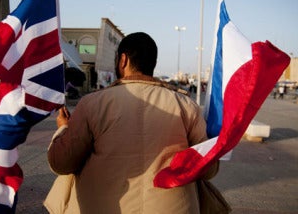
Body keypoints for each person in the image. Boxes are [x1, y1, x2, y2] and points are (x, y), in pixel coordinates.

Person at [46, 32, 218, 214]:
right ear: (153, 63)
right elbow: (209, 169)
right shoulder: (186, 106)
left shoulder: (92, 104)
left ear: (123, 60)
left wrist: (63, 128)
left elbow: (62, 163)